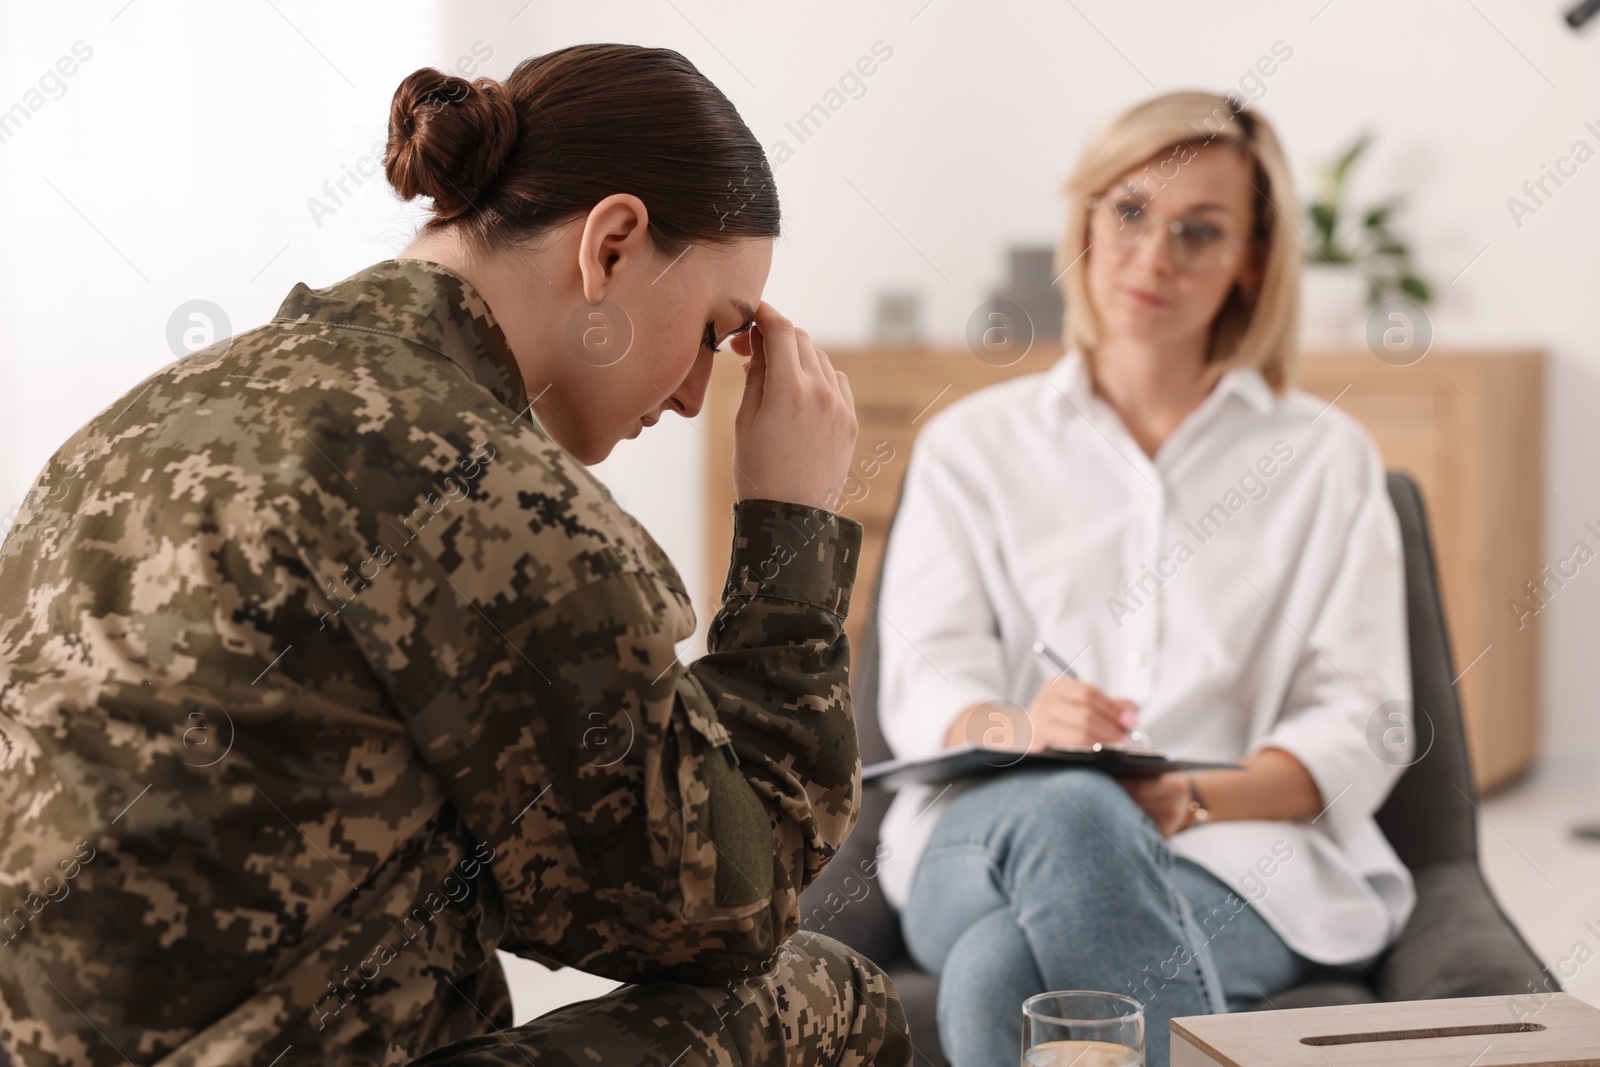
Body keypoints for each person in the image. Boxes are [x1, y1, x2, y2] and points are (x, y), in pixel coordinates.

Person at [0, 44, 911, 1067]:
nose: (702, 392)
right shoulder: (480, 482)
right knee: (828, 993)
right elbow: (735, 910)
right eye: (712, 328)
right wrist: (789, 522)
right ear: (611, 243)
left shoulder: (131, 428)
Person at [873, 92, 1414, 1067]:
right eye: (1128, 212)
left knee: (1000, 975)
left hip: (1238, 854)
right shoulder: (972, 446)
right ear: (1084, 217)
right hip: (987, 835)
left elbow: (1362, 717)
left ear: (1252, 258)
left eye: (1198, 231)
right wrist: (1025, 727)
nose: (1152, 256)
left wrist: (1193, 796)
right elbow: (922, 681)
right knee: (1071, 805)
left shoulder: (1325, 457)